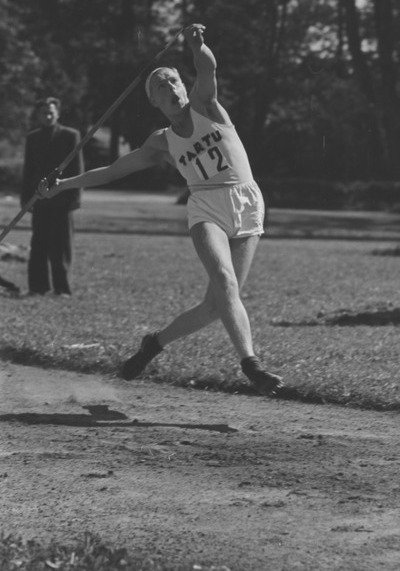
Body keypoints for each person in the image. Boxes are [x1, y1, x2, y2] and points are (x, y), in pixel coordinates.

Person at [39, 24, 284, 395]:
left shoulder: (207, 106)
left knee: (215, 306)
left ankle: (153, 343)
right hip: (205, 207)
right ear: (154, 102)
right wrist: (62, 186)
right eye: (159, 86)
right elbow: (111, 171)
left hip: (248, 201)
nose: (169, 87)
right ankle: (251, 363)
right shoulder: (161, 142)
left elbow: (208, 69)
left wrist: (198, 44)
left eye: (172, 80)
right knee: (225, 282)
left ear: (184, 87)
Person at [21, 96, 84, 296]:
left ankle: (62, 289)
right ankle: (38, 287)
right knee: (38, 244)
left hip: (63, 200)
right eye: (43, 113)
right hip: (39, 199)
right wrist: (26, 199)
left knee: (61, 247)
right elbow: (28, 170)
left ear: (57, 113)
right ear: (38, 115)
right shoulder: (32, 137)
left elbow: (77, 168)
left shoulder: (70, 135)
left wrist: (74, 199)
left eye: (51, 112)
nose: (48, 116)